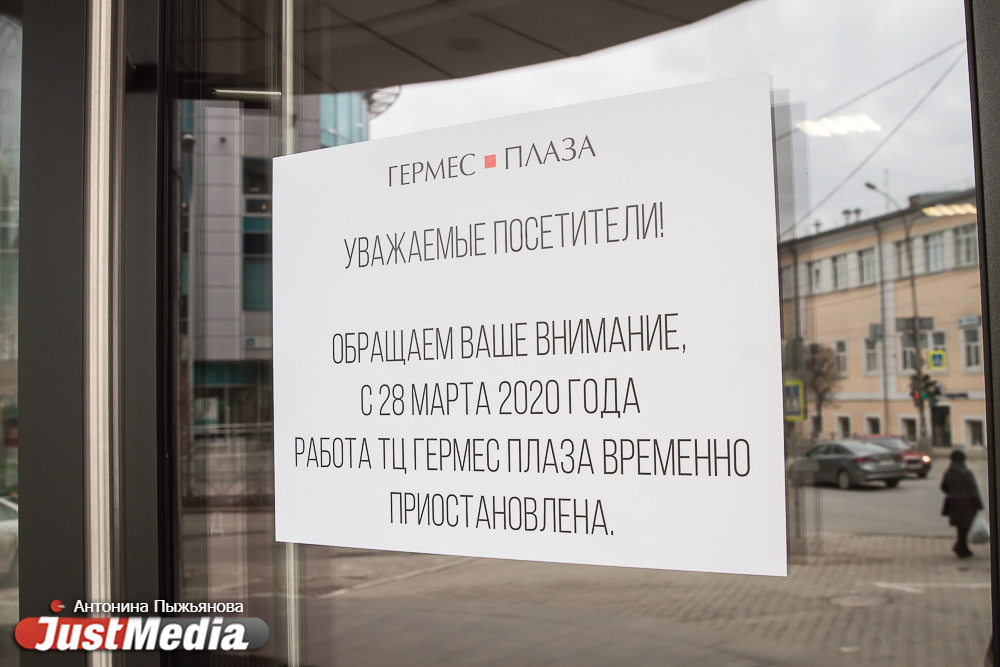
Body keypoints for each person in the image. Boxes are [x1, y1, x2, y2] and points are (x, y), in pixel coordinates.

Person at [940, 449, 983, 558]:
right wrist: (978, 503)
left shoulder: (948, 472)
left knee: (960, 527)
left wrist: (952, 492)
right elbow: (973, 489)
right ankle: (959, 546)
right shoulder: (966, 472)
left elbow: (943, 487)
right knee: (966, 526)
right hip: (966, 502)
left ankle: (963, 547)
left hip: (953, 502)